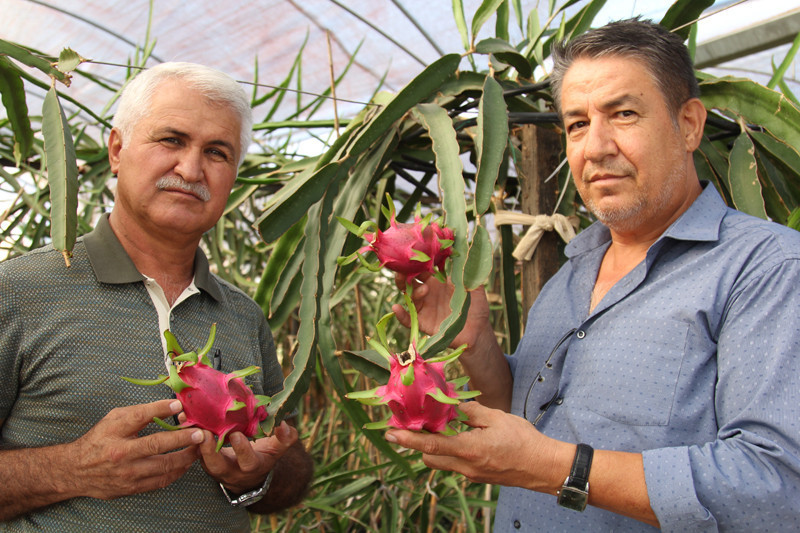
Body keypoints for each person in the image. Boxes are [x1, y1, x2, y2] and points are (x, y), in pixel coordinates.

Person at [385, 18, 800, 532]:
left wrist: (554, 469)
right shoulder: (568, 275)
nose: (595, 147)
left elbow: (777, 486)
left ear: (689, 124)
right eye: (577, 123)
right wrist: (477, 349)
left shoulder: (766, 270)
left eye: (623, 114)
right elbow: (531, 422)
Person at [0, 62, 313, 531]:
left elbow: (287, 476)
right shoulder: (19, 291)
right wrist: (70, 470)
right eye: (171, 140)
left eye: (217, 152)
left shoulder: (244, 316)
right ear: (118, 150)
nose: (190, 168)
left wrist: (258, 472)